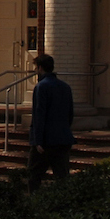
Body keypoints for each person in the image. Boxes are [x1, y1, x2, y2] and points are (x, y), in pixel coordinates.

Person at [27, 53, 74, 192]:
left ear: (40, 68)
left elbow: (39, 114)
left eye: (36, 68)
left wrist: (38, 140)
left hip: (46, 140)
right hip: (63, 138)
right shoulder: (65, 87)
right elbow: (70, 113)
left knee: (34, 175)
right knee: (62, 176)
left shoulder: (42, 87)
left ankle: (34, 204)